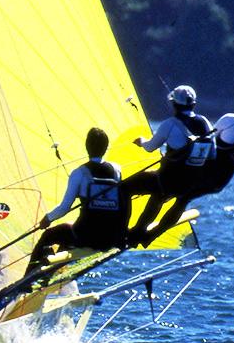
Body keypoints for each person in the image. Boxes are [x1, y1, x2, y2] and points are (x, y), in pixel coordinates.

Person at [26, 127, 129, 274]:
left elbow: (65, 207)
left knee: (49, 236)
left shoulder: (79, 173)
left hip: (85, 236)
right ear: (106, 147)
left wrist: (47, 219)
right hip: (110, 237)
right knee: (64, 243)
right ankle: (51, 277)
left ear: (87, 146)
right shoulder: (117, 170)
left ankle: (27, 281)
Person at [123, 84, 215, 247]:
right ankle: (144, 235)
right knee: (171, 200)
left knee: (125, 188)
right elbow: (212, 154)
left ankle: (127, 232)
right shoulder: (205, 123)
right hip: (191, 183)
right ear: (193, 104)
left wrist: (141, 141)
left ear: (174, 104)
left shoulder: (170, 124)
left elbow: (150, 147)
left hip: (168, 180)